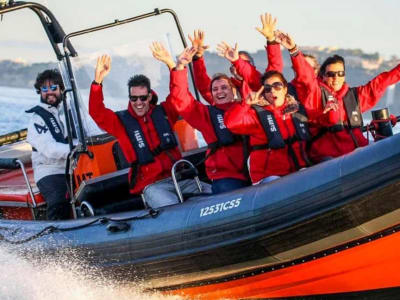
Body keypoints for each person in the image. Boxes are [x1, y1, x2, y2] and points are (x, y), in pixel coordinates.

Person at [88, 53, 210, 209]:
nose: (138, 103)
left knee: (212, 193)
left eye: (143, 98)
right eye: (134, 98)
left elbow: (178, 95)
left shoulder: (164, 112)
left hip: (180, 178)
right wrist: (97, 82)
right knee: (172, 209)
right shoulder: (120, 122)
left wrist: (173, 66)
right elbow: (97, 112)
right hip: (153, 185)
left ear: (149, 96)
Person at [151, 42, 250, 194]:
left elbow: (254, 85)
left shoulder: (247, 106)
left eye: (224, 87)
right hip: (228, 176)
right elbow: (181, 99)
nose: (219, 92)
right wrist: (178, 67)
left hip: (256, 168)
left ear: (233, 90)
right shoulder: (205, 115)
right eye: (215, 89)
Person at [289, 36, 400, 163]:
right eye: (331, 74)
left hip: (357, 152)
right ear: (322, 76)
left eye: (340, 73)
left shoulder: (355, 95)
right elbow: (306, 76)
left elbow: (383, 81)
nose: (336, 77)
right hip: (329, 159)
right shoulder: (315, 93)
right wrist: (294, 51)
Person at [224, 46, 312, 184]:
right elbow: (232, 123)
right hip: (268, 176)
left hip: (296, 169)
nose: (272, 91)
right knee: (277, 183)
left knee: (306, 176)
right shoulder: (257, 114)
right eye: (267, 88)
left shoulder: (297, 110)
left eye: (277, 86)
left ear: (285, 88)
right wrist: (245, 104)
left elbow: (308, 80)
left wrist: (290, 49)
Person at [189, 28, 282, 104]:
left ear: (253, 67)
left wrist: (272, 41)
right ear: (231, 70)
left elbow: (275, 70)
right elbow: (204, 86)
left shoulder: (263, 87)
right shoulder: (224, 91)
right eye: (235, 64)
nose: (239, 66)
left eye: (245, 63)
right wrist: (198, 57)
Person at [26, 69, 71, 220]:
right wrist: (74, 150)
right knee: (59, 198)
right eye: (44, 89)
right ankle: (54, 239)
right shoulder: (37, 120)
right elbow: (49, 149)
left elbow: (90, 132)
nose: (49, 92)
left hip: (74, 167)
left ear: (61, 90)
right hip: (49, 171)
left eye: (54, 88)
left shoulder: (71, 111)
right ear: (40, 92)